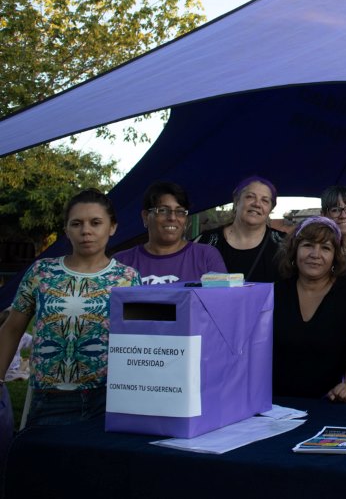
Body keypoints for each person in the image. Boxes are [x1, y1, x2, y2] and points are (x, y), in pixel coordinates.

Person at [0, 189, 142, 427]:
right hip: (50, 398)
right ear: (66, 230)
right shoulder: (41, 272)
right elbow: (12, 328)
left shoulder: (127, 278)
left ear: (112, 227)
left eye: (96, 223)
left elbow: (137, 339)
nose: (86, 230)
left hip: (108, 397)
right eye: (76, 223)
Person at [273, 216, 346, 400]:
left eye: (325, 248)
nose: (315, 254)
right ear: (294, 251)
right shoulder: (274, 293)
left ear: (335, 257)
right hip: (278, 406)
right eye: (308, 245)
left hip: (331, 403)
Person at [115, 181, 226, 284]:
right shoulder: (121, 262)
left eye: (180, 211)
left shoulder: (206, 257)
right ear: (145, 217)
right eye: (163, 210)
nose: (172, 217)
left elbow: (221, 301)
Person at [195, 176, 286, 282]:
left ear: (271, 208)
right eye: (250, 197)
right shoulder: (205, 242)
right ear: (236, 201)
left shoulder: (285, 245)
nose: (257, 204)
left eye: (265, 201)